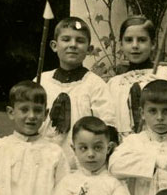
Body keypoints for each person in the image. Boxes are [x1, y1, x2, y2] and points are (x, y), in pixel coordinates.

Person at [37, 16, 117, 166]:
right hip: (43, 160)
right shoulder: (42, 81)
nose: (73, 45)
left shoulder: (95, 84)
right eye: (66, 39)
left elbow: (107, 124)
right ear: (54, 46)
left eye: (80, 41)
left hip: (81, 164)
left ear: (89, 49)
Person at [106, 15, 167, 140]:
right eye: (129, 40)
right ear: (121, 45)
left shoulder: (165, 75)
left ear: (153, 44)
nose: (135, 45)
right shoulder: (114, 83)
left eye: (142, 40)